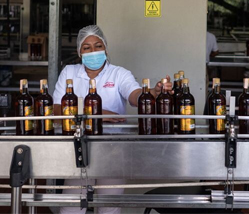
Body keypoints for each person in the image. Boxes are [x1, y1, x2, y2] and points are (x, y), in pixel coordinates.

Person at [52, 25, 172, 214]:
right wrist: (97, 113)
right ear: (79, 52)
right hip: (77, 147)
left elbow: (135, 96)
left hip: (113, 149)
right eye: (87, 47)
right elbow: (57, 109)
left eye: (98, 46)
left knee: (109, 207)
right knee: (71, 207)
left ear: (106, 49)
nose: (93, 51)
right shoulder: (69, 72)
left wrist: (154, 93)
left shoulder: (119, 73)